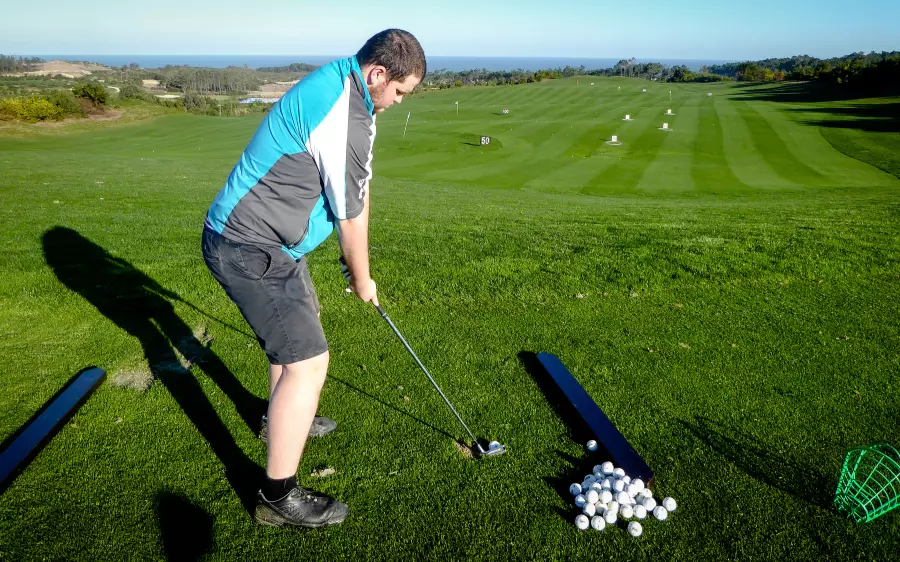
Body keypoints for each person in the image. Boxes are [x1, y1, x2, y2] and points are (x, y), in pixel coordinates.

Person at [201, 29, 426, 529]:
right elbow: (350, 217)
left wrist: (356, 263)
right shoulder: (343, 109)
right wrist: (363, 278)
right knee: (307, 362)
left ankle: (278, 421)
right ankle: (276, 497)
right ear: (378, 73)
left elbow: (357, 193)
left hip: (271, 245)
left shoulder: (349, 92)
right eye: (399, 91)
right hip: (247, 245)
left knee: (293, 345)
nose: (398, 101)